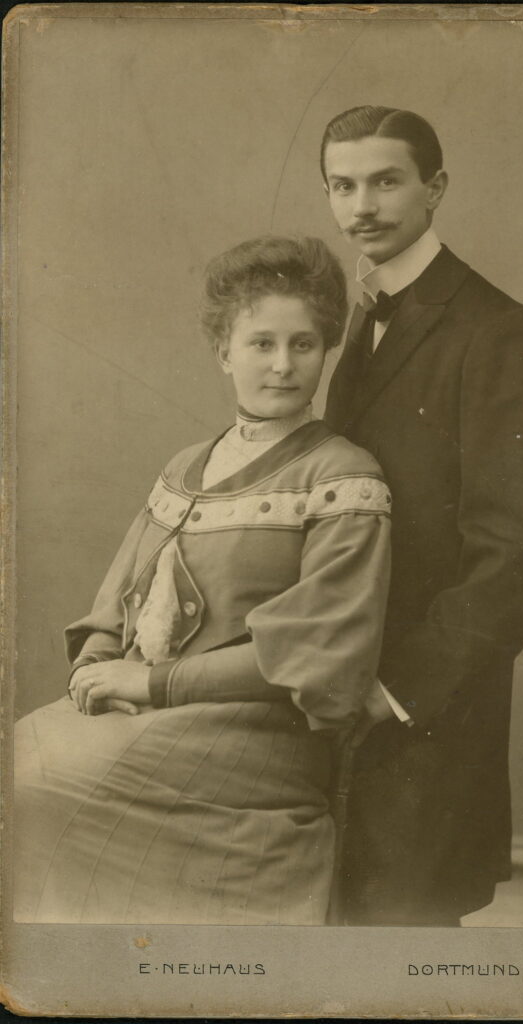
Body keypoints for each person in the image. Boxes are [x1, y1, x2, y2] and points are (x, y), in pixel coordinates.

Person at [13, 235, 392, 925]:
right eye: (261, 344)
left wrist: (152, 684)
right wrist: (94, 671)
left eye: (303, 345)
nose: (282, 366)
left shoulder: (342, 475)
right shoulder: (186, 465)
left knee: (36, 784)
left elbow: (320, 654)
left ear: (326, 350)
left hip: (258, 733)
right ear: (224, 351)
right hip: (148, 713)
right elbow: (113, 605)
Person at [321, 106, 523, 926]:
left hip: (425, 713)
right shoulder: (362, 321)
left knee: (404, 950)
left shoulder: (501, 332)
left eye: (386, 181)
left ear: (435, 189)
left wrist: (399, 691)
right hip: (343, 702)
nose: (363, 204)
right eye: (342, 184)